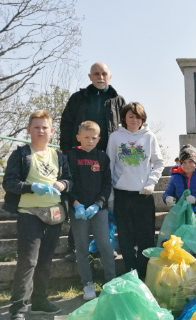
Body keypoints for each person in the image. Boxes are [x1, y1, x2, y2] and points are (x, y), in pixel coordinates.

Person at [2, 110, 72, 320]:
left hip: (54, 214)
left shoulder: (59, 156)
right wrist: (32, 187)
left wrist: (63, 184)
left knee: (45, 260)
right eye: (37, 127)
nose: (41, 131)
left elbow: (70, 180)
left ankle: (40, 300)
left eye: (45, 127)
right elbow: (9, 183)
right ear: (29, 130)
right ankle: (18, 312)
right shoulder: (21, 154)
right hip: (29, 213)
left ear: (52, 131)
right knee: (27, 261)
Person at [60, 62, 125, 262]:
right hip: (79, 155)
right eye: (96, 73)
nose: (100, 76)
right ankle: (75, 248)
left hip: (106, 157)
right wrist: (65, 153)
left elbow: (124, 128)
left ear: (110, 76)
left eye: (104, 73)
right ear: (89, 76)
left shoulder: (118, 100)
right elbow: (66, 124)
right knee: (78, 197)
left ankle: (106, 246)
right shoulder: (78, 98)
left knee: (105, 200)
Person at [106, 102, 164, 280]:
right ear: (124, 117)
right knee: (125, 237)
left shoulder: (149, 137)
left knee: (145, 237)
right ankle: (130, 273)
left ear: (142, 119)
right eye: (130, 116)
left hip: (143, 195)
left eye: (137, 117)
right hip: (122, 194)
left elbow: (158, 162)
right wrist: (110, 196)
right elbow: (109, 165)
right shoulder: (115, 137)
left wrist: (151, 182)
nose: (133, 120)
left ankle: (143, 274)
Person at [66, 121, 116, 300]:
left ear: (99, 139)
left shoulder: (102, 158)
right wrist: (76, 203)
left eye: (94, 138)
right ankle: (87, 283)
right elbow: (67, 183)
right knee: (81, 247)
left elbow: (106, 184)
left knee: (105, 244)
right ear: (78, 137)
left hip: (98, 210)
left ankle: (110, 280)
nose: (90, 141)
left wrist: (98, 204)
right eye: (86, 137)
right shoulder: (70, 156)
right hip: (77, 209)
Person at [163, 144, 196, 218]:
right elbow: (168, 193)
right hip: (179, 210)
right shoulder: (175, 177)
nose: (187, 165)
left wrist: (195, 199)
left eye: (190, 161)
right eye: (184, 162)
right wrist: (167, 198)